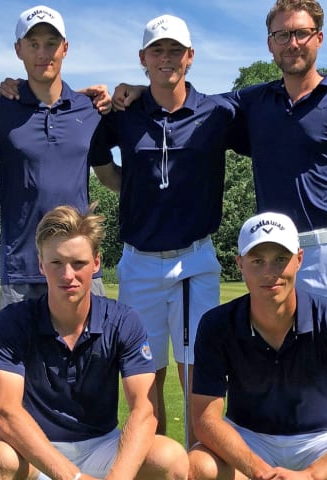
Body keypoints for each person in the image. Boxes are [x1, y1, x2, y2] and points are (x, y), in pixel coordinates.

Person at [114, 0, 327, 344]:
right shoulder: (255, 102)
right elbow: (185, 101)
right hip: (271, 254)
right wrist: (142, 90)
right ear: (270, 43)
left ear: (318, 38)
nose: (292, 43)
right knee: (278, 366)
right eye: (282, 34)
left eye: (302, 33)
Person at [89, 14, 238, 443]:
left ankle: (199, 461)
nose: (166, 58)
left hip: (194, 259)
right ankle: (157, 466)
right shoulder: (124, 114)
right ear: (143, 58)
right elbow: (102, 165)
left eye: (175, 50)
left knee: (196, 374)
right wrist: (134, 188)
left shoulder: (218, 111)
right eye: (158, 50)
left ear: (190, 57)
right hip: (139, 263)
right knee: (144, 378)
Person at [188, 211, 327, 480]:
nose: (270, 273)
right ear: (240, 264)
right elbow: (205, 418)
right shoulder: (216, 324)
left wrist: (313, 475)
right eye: (257, 261)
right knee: (197, 467)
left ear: (299, 259)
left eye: (280, 259)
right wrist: (261, 472)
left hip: (324, 439)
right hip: (248, 438)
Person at [0, 205, 189, 480]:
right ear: (41, 264)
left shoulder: (123, 320)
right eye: (56, 263)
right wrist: (72, 477)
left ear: (96, 263)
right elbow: (4, 412)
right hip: (38, 448)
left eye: (78, 263)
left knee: (169, 457)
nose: (67, 275)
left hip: (102, 445)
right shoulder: (14, 321)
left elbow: (144, 410)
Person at [0, 5, 111, 310]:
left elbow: (109, 175)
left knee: (92, 356)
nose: (43, 53)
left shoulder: (90, 110)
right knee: (18, 359)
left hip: (80, 265)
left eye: (51, 43)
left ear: (65, 48)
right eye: (33, 44)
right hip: (21, 270)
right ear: (18, 50)